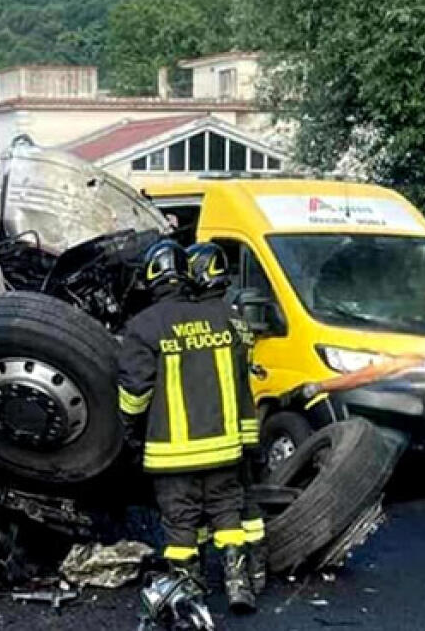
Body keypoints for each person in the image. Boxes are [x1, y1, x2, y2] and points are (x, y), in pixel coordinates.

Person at [118, 239, 256, 614]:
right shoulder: (222, 318)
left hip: (172, 451)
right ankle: (238, 583)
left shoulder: (144, 325)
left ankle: (189, 593)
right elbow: (240, 381)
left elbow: (134, 391)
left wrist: (129, 428)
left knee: (180, 523)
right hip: (224, 446)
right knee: (227, 512)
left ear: (152, 276)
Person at [187, 242, 266, 596]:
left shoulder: (199, 321)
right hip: (241, 428)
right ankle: (252, 572)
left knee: (204, 503)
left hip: (207, 429)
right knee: (243, 500)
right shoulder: (235, 318)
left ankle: (201, 576)